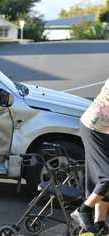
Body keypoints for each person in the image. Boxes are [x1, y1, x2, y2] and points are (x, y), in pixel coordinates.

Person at [71, 79, 109, 234]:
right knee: (107, 176)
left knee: (104, 182)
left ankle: (99, 223)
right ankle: (83, 210)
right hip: (94, 129)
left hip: (104, 130)